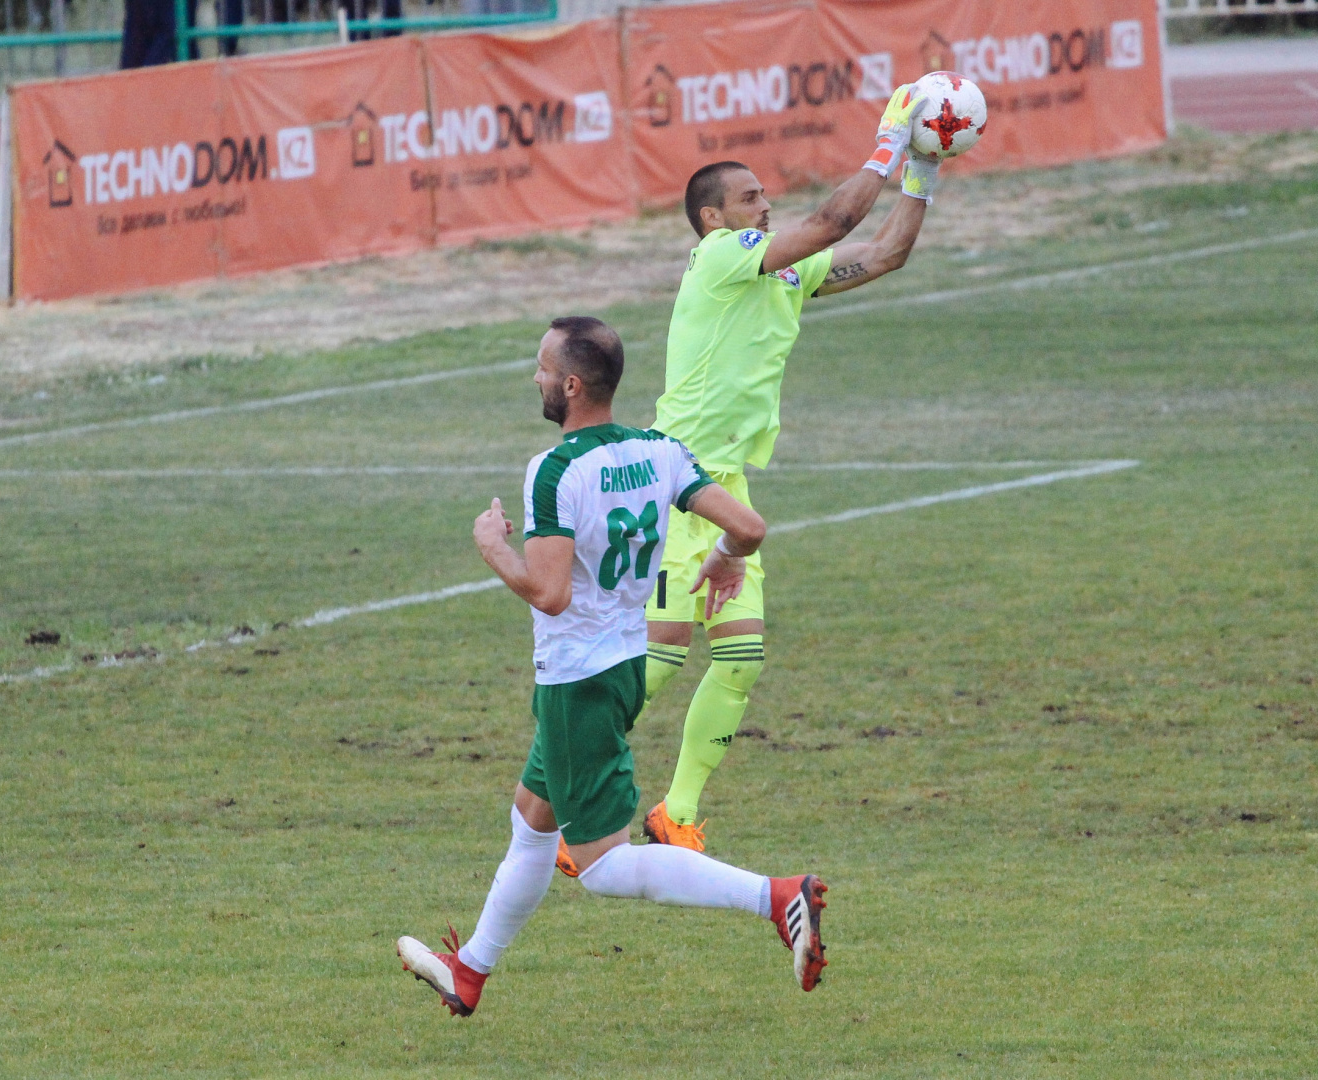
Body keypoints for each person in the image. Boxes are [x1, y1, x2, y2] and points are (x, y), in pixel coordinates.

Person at [396, 316, 829, 1017]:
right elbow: (748, 529)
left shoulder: (554, 469)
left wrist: (492, 549)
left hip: (577, 681)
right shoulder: (660, 450)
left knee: (600, 867)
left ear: (570, 385)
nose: (535, 378)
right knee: (532, 820)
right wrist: (723, 559)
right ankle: (469, 970)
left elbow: (550, 593)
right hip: (626, 665)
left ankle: (776, 897)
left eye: (542, 368)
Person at [593, 82, 946, 855]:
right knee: (658, 660)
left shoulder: (782, 272)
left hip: (726, 484)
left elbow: (883, 253)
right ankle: (562, 797)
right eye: (749, 197)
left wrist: (923, 168)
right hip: (673, 480)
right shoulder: (721, 259)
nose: (764, 205)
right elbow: (833, 222)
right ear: (711, 219)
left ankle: (675, 813)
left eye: (764, 195)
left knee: (741, 658)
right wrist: (887, 143)